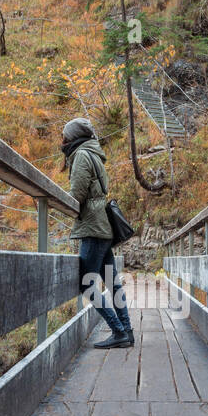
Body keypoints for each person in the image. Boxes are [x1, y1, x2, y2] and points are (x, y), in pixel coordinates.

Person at [62, 116, 134, 349]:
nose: (61, 140)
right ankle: (127, 331)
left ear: (73, 137)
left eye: (64, 136)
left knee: (86, 283)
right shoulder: (94, 153)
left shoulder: (81, 155)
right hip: (103, 227)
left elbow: (77, 193)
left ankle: (118, 330)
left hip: (93, 227)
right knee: (112, 283)